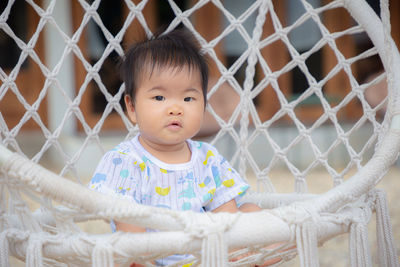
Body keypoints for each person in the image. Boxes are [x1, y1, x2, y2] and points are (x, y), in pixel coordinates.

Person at [88, 28, 266, 266]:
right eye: (159, 98)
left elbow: (226, 216)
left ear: (203, 104)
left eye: (188, 98)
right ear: (131, 107)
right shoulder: (124, 161)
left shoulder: (207, 158)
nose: (175, 108)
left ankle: (245, 259)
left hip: (204, 255)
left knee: (253, 212)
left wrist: (227, 248)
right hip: (150, 257)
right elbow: (128, 228)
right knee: (126, 254)